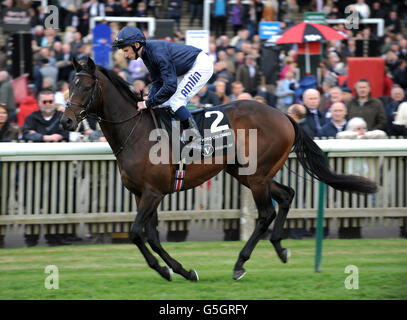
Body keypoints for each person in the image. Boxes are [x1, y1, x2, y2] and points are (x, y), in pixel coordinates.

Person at [112, 26, 213, 153]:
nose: (125, 55)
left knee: (176, 101)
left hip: (200, 65)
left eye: (126, 50)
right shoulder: (145, 53)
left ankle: (196, 141)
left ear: (136, 44)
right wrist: (150, 99)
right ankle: (175, 137)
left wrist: (148, 103)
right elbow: (157, 80)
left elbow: (170, 86)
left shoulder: (156, 53)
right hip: (184, 69)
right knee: (165, 103)